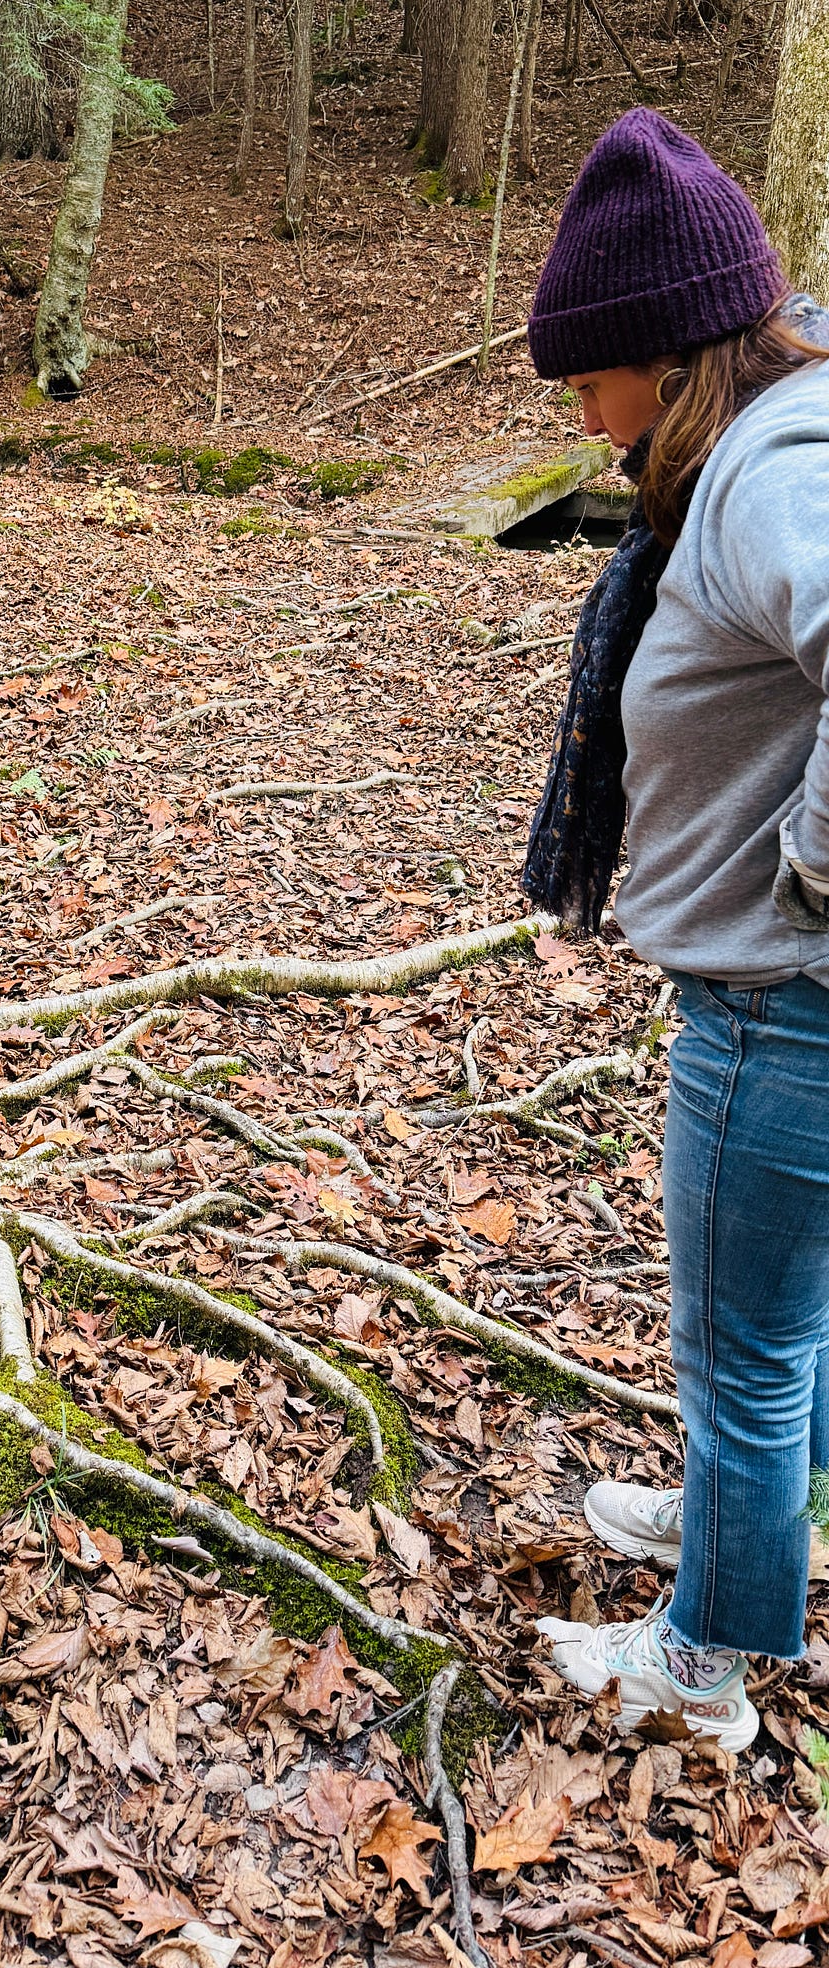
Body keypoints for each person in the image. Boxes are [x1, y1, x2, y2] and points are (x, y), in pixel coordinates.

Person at [519, 107, 829, 1752]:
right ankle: (759, 1523)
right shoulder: (790, 424)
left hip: (777, 1004)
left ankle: (707, 1655)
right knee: (797, 1322)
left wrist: (820, 872)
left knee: (741, 1347)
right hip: (795, 998)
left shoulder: (771, 471)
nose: (583, 415)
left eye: (592, 378)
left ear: (671, 355)